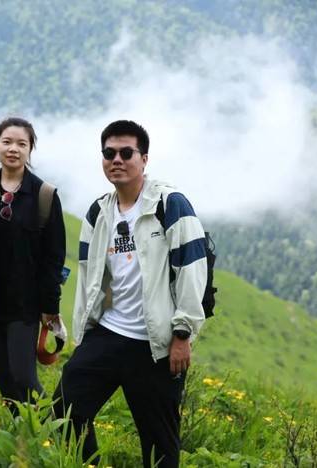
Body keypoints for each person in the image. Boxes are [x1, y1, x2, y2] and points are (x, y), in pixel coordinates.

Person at [53, 120, 207, 467]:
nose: (117, 160)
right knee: (65, 412)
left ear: (144, 159)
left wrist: (182, 334)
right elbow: (90, 276)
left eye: (126, 153)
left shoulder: (170, 205)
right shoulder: (99, 212)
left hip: (156, 346)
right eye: (109, 153)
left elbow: (192, 269)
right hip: (108, 333)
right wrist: (85, 333)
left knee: (159, 445)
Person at [0, 117, 66, 410]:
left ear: (30, 149)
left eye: (21, 143)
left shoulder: (44, 196)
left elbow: (53, 258)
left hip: (25, 305)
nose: (13, 149)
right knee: (6, 382)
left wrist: (50, 307)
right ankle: (24, 436)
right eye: (6, 142)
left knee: (24, 379)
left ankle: (56, 432)